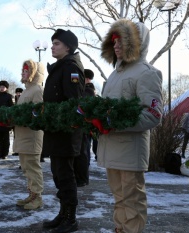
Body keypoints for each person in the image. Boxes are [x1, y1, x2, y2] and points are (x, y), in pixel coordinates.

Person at [98, 19, 163, 233]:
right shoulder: (114, 75)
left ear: (135, 43)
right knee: (119, 199)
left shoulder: (147, 72)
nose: (115, 45)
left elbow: (153, 114)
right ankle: (120, 229)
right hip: (111, 148)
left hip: (130, 151)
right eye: (113, 40)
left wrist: (114, 122)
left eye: (121, 40)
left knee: (132, 202)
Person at [42, 29, 85, 233]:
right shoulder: (60, 67)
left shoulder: (71, 67)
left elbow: (73, 102)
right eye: (52, 43)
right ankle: (63, 213)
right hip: (55, 130)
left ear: (68, 47)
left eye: (57, 43)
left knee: (66, 175)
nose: (52, 46)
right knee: (58, 174)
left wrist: (61, 122)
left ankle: (71, 218)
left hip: (66, 132)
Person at [13, 59, 45, 210]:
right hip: (22, 135)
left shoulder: (37, 90)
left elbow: (38, 114)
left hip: (31, 136)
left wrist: (22, 118)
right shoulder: (26, 90)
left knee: (32, 167)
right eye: (23, 70)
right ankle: (31, 193)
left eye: (26, 71)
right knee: (26, 167)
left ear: (33, 73)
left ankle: (37, 197)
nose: (22, 73)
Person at [73, 69, 96, 187]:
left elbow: (82, 104)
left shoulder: (89, 90)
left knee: (83, 152)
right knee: (80, 152)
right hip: (81, 126)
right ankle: (79, 177)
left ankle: (82, 178)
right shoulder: (85, 89)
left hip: (84, 127)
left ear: (86, 78)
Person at [0, 80, 14, 159]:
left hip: (6, 119)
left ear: (6, 88)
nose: (2, 88)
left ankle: (5, 153)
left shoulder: (9, 96)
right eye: (1, 87)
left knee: (5, 137)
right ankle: (0, 152)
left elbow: (12, 107)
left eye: (4, 87)